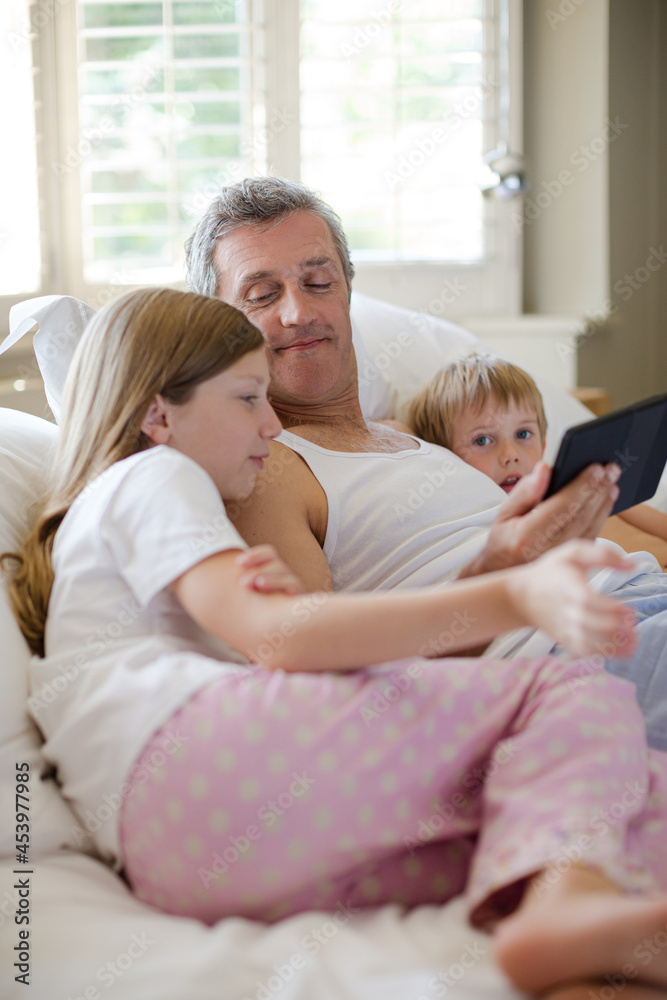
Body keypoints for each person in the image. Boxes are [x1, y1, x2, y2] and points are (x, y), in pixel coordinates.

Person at [5, 286, 667, 1000]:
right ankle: (570, 909)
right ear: (157, 414)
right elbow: (282, 640)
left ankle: (576, 937)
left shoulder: (124, 544)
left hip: (188, 851)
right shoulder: (153, 473)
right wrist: (513, 594)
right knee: (567, 692)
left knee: (614, 806)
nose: (270, 424)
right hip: (189, 767)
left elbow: (267, 640)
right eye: (248, 398)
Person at [184, 176, 667, 752]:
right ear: (220, 323)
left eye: (318, 282)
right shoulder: (267, 471)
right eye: (262, 295)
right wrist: (498, 569)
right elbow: (329, 688)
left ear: (347, 294)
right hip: (562, 657)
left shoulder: (426, 435)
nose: (297, 312)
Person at [407, 352, 667, 539]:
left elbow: (639, 515)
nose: (511, 455)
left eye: (523, 434)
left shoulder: (563, 492)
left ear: (543, 444)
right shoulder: (470, 520)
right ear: (446, 456)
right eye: (483, 440)